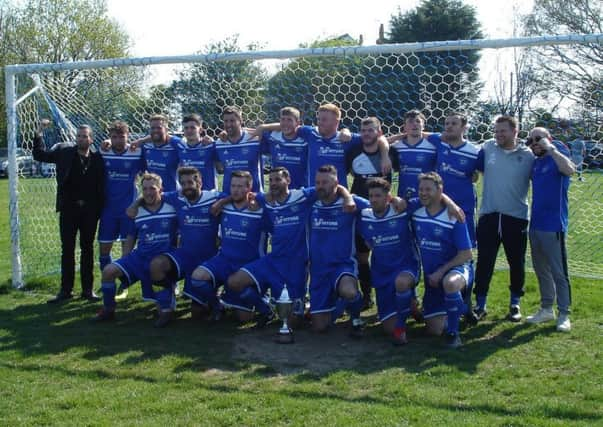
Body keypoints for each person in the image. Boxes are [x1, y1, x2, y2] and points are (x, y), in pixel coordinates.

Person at [128, 167, 222, 322]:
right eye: (183, 183)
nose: (187, 187)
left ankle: (216, 302)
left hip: (207, 258)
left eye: (190, 182)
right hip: (185, 255)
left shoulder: (212, 197)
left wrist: (222, 202)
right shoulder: (177, 198)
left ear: (199, 182)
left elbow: (235, 197)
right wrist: (135, 204)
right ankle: (167, 302)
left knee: (197, 314)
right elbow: (153, 194)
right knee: (156, 265)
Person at [32, 120, 105, 303]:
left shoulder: (97, 159)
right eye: (79, 136)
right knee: (68, 250)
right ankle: (66, 290)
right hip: (69, 209)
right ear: (76, 138)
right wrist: (39, 133)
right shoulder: (64, 153)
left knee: (88, 249)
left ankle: (88, 290)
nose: (81, 139)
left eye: (85, 136)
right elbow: (40, 155)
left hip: (89, 211)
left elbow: (100, 185)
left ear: (91, 139)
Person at [93, 173, 178, 327]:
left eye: (152, 188)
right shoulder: (137, 211)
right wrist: (125, 258)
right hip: (140, 257)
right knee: (108, 271)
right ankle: (108, 309)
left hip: (163, 257)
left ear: (161, 189)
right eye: (144, 189)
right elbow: (131, 236)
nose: (148, 192)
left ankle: (167, 305)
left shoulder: (172, 208)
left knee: (162, 311)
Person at [473, 115, 534, 322]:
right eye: (496, 130)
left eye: (503, 131)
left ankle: (515, 303)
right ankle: (480, 304)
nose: (498, 134)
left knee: (516, 262)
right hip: (489, 215)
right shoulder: (488, 147)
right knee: (484, 262)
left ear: (515, 132)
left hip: (515, 217)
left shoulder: (528, 155)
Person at [188, 171, 265, 322]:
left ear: (249, 187)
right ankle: (217, 306)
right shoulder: (223, 205)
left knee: (243, 318)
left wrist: (256, 198)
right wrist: (223, 202)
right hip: (224, 260)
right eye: (233, 186)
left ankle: (265, 306)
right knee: (197, 278)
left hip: (248, 264)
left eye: (240, 186)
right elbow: (212, 206)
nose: (235, 190)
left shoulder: (260, 208)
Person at [255, 103, 392, 188]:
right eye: (319, 119)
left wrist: (385, 156)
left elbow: (379, 137)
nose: (320, 122)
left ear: (336, 121)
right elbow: (289, 125)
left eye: (324, 120)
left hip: (338, 193)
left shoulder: (346, 139)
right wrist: (262, 127)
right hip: (313, 192)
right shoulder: (310, 134)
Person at [412, 172, 473, 348]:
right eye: (421, 189)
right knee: (434, 330)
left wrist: (440, 272)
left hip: (458, 269)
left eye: (428, 189)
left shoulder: (454, 216)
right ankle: (461, 307)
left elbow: (466, 254)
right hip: (432, 280)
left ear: (440, 191)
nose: (423, 193)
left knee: (450, 284)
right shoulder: (416, 212)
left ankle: (454, 334)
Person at [356, 178, 419, 345]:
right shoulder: (364, 215)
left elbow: (433, 196)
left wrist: (451, 205)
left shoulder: (401, 209)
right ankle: (410, 304)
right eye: (371, 196)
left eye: (378, 195)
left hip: (406, 267)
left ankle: (401, 328)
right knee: (387, 329)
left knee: (401, 283)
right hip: (382, 274)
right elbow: (346, 195)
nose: (374, 199)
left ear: (388, 197)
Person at [308, 165, 368, 337]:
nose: (320, 186)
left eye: (325, 182)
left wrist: (347, 196)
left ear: (336, 183)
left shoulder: (351, 203)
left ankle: (356, 318)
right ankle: (337, 302)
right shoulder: (310, 202)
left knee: (349, 291)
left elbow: (380, 206)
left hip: (343, 265)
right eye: (317, 182)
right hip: (318, 270)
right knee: (320, 327)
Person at [525, 128, 575, 332]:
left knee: (559, 271)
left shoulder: (557, 156)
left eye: (538, 139)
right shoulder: (535, 163)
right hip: (535, 224)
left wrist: (552, 149)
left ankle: (564, 313)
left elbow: (570, 170)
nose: (534, 143)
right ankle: (547, 308)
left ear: (548, 139)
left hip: (554, 225)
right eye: (531, 140)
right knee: (541, 269)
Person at [345, 116, 393, 310]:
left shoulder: (391, 153)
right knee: (362, 256)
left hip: (383, 212)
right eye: (363, 131)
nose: (366, 134)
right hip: (360, 212)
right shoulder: (354, 150)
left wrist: (386, 153)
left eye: (371, 130)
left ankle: (389, 295)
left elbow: (397, 139)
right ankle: (366, 296)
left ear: (379, 133)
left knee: (384, 254)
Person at [98, 121, 144, 298]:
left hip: (128, 210)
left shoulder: (136, 153)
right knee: (104, 249)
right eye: (114, 137)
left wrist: (140, 141)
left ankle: (124, 285)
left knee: (127, 251)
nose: (118, 141)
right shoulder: (104, 151)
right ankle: (107, 281)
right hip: (108, 210)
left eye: (121, 137)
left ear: (127, 136)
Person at [431, 112, 480, 247]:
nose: (449, 126)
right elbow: (421, 134)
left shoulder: (474, 151)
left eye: (454, 123)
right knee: (442, 244)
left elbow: (478, 174)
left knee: (465, 244)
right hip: (440, 202)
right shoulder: (438, 142)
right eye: (447, 123)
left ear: (464, 127)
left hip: (464, 203)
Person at [388, 110, 438, 200]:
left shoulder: (433, 147)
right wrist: (399, 136)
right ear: (405, 127)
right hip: (403, 197)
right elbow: (377, 143)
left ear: (423, 126)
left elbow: (445, 138)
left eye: (418, 121)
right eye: (410, 121)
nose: (415, 124)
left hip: (427, 198)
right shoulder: (396, 147)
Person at [215, 106, 265, 193]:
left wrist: (262, 127)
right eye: (226, 121)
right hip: (228, 196)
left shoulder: (255, 139)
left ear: (241, 121)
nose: (228, 124)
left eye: (232, 121)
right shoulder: (219, 143)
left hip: (253, 195)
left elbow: (282, 128)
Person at [259, 107, 308, 189]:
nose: (285, 123)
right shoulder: (272, 137)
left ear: (298, 123)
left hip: (300, 190)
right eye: (283, 119)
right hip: (278, 191)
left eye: (289, 120)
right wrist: (262, 127)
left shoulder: (306, 140)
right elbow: (252, 133)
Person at [142, 114, 183, 192]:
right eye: (152, 128)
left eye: (159, 128)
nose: (155, 130)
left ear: (166, 129)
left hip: (172, 193)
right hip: (153, 195)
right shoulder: (145, 146)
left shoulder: (176, 145)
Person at [178, 114, 218, 190]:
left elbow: (221, 168)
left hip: (208, 194)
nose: (189, 131)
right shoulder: (180, 147)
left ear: (200, 130)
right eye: (186, 128)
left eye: (192, 128)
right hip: (188, 195)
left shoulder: (210, 146)